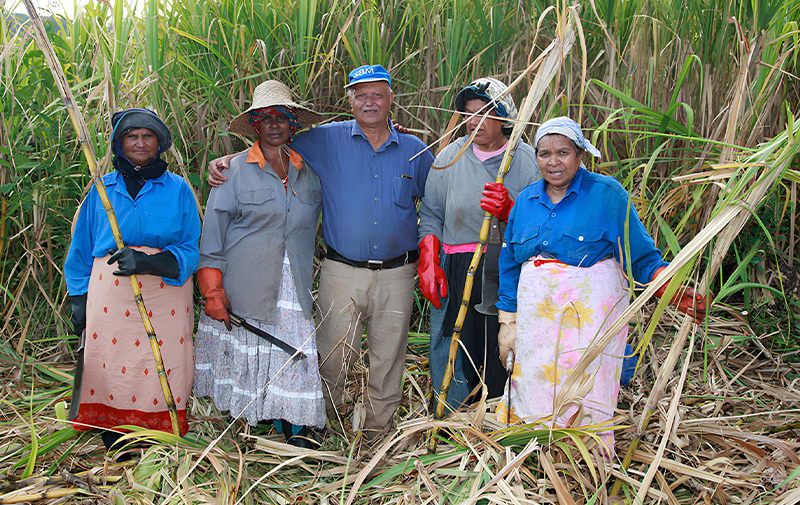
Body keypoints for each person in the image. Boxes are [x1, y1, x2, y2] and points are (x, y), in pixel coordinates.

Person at [207, 65, 434, 442]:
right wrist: (225, 162)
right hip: (341, 270)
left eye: (378, 95)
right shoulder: (325, 139)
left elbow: (435, 202)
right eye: (361, 95)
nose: (370, 102)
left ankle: (378, 433)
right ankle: (325, 424)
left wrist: (429, 254)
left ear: (391, 99)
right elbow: (270, 144)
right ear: (350, 101)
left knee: (389, 358)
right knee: (332, 356)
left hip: (398, 274)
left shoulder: (414, 150)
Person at [495, 116, 708, 453]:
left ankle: (585, 454)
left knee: (585, 386)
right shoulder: (525, 201)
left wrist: (668, 286)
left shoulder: (607, 195)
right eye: (544, 153)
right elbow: (509, 262)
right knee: (533, 383)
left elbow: (640, 256)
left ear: (580, 154)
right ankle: (536, 451)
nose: (553, 162)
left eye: (563, 152)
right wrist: (508, 320)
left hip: (587, 323)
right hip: (536, 325)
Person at [193, 80, 326, 448]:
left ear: (293, 122)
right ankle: (262, 419)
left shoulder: (309, 172)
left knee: (294, 351)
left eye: (281, 117)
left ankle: (296, 425)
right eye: (265, 118)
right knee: (253, 351)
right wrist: (213, 292)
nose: (274, 124)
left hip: (293, 284)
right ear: (255, 125)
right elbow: (212, 239)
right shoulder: (231, 171)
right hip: (245, 285)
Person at [64, 108, 200, 453]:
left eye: (147, 136)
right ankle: (114, 429)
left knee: (164, 360)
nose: (140, 143)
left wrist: (149, 262)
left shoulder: (178, 190)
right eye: (131, 136)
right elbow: (81, 247)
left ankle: (158, 430)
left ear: (159, 143)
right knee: (112, 359)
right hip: (111, 296)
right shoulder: (101, 190)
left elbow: (190, 247)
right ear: (119, 144)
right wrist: (78, 298)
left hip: (165, 293)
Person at [417, 77, 539, 413]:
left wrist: (510, 211)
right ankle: (453, 419)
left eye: (485, 113)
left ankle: (502, 418)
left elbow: (544, 221)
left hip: (506, 270)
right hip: (458, 268)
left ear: (505, 118)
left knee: (503, 347)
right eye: (469, 114)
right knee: (458, 346)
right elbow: (431, 213)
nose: (475, 122)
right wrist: (429, 258)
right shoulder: (450, 157)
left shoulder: (525, 160)